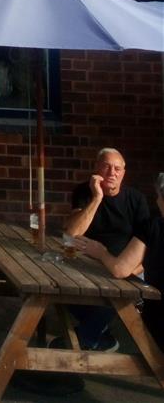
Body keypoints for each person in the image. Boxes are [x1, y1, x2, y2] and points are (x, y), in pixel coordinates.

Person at [62, 147, 150, 352]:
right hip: (88, 263)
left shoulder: (136, 199)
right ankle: (100, 335)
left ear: (123, 173)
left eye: (117, 168)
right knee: (60, 290)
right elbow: (72, 233)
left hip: (125, 266)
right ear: (96, 169)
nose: (112, 173)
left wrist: (133, 271)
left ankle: (82, 341)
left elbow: (147, 244)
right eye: (107, 166)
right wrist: (97, 198)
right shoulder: (85, 192)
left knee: (120, 296)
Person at [73, 173, 164, 352]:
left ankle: (87, 336)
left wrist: (100, 252)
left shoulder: (155, 226)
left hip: (159, 318)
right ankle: (91, 333)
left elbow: (120, 269)